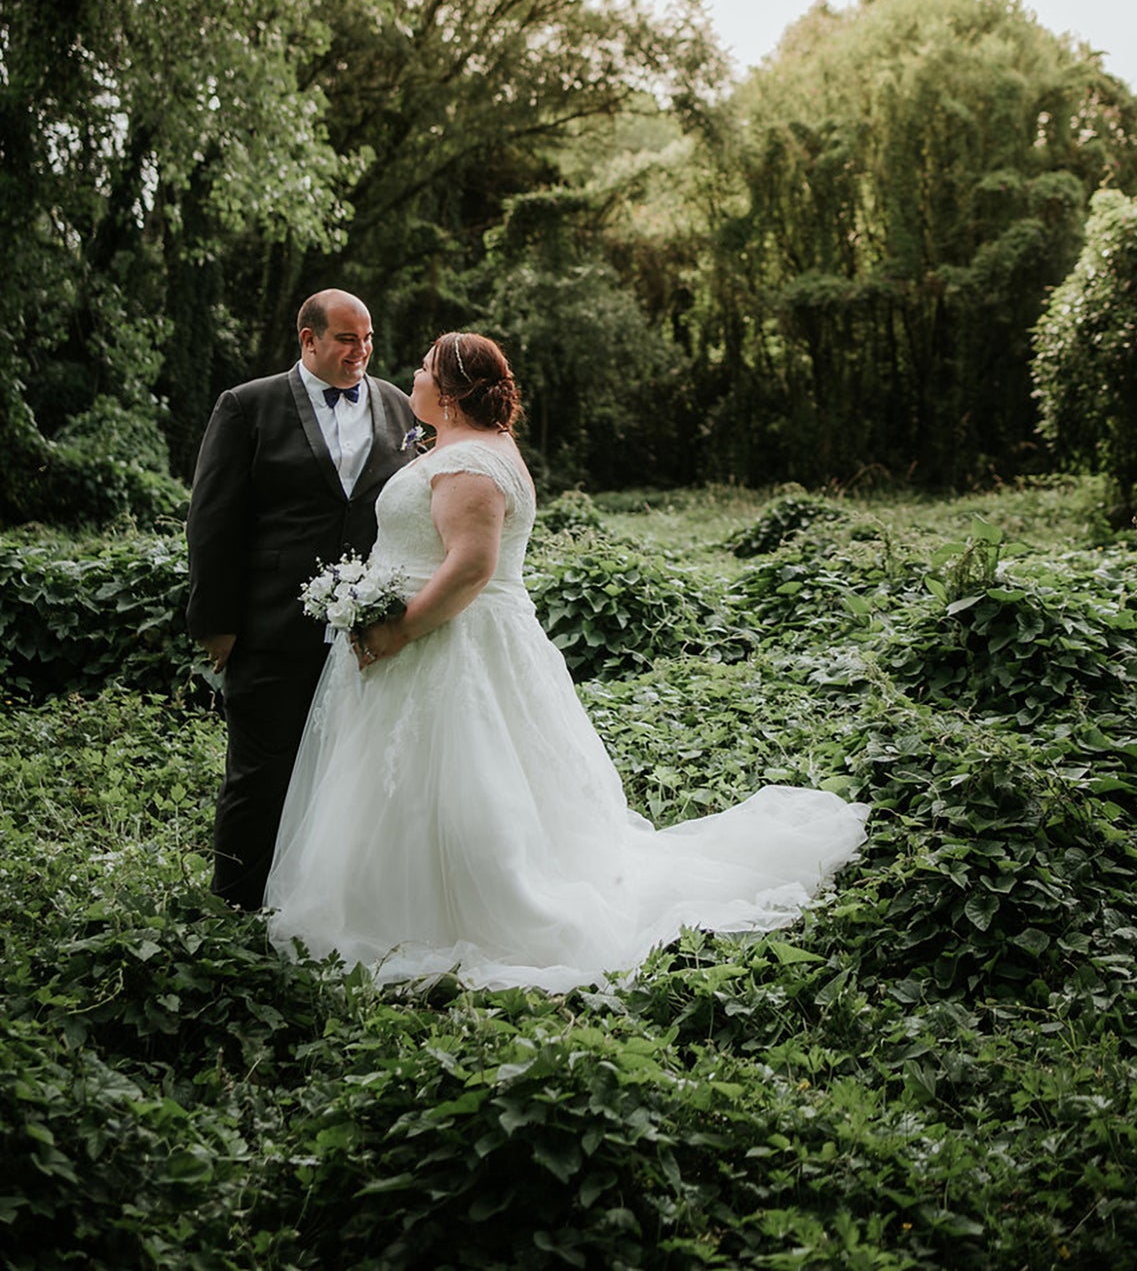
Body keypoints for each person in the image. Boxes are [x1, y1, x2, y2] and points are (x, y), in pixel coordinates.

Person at [264, 331, 868, 991]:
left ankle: (460, 912)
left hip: (450, 644)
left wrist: (399, 631)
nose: (410, 376)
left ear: (451, 391)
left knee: (460, 780)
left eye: (425, 369)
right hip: (455, 638)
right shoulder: (470, 447)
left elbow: (470, 568)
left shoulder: (467, 462)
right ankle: (391, 890)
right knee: (436, 781)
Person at [186, 289, 417, 909]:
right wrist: (216, 622)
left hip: (370, 630)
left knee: (352, 774)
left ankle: (327, 904)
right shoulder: (246, 406)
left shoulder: (398, 406)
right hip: (269, 625)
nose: (360, 351)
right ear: (308, 339)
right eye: (346, 339)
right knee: (261, 773)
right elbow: (213, 519)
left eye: (368, 338)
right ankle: (235, 906)